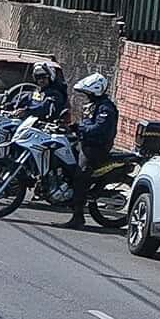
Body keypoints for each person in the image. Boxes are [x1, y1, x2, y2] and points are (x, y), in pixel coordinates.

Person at [62, 72, 120, 230]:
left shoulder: (105, 108)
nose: (86, 96)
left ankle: (78, 216)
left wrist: (79, 128)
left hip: (96, 148)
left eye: (88, 93)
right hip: (85, 143)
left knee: (80, 175)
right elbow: (86, 124)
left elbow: (99, 129)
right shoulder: (94, 105)